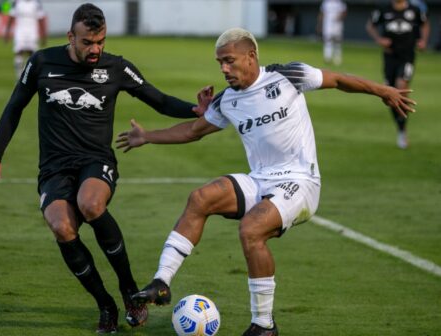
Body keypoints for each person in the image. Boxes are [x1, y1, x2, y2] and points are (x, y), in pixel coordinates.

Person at [116, 28, 416, 336]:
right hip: (261, 180)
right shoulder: (227, 100)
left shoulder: (289, 76)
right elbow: (193, 131)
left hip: (301, 182)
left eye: (229, 61)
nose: (223, 69)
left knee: (251, 229)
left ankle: (264, 325)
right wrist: (147, 136)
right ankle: (161, 282)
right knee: (200, 198)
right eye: (219, 62)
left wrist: (384, 91)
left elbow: (338, 80)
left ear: (251, 56)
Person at [0, 3, 206, 334]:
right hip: (54, 167)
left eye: (101, 41)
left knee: (91, 204)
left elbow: (160, 100)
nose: (96, 49)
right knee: (62, 228)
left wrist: (197, 109)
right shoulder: (41, 62)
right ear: (71, 36)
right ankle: (105, 305)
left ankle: (129, 291)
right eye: (88, 43)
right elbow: (13, 108)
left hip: (96, 160)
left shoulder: (116, 68)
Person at [366, 0, 429, 149]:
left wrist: (423, 41)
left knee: (401, 86)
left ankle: (402, 130)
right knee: (389, 94)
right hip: (389, 57)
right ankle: (401, 127)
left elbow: (425, 24)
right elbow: (370, 26)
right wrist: (379, 39)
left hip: (407, 56)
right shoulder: (383, 9)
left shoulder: (415, 9)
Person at [4, 0, 47, 79]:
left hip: (32, 31)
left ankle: (27, 77)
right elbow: (11, 17)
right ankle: (19, 77)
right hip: (20, 31)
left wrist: (43, 35)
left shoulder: (37, 3)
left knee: (32, 55)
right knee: (18, 53)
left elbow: (41, 19)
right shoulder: (17, 2)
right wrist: (7, 32)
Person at [316, 0, 347, 65]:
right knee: (327, 41)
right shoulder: (326, 2)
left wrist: (340, 17)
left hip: (337, 25)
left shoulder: (339, 3)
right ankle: (327, 58)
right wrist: (319, 24)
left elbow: (344, 12)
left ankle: (337, 60)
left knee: (337, 42)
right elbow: (322, 13)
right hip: (327, 25)